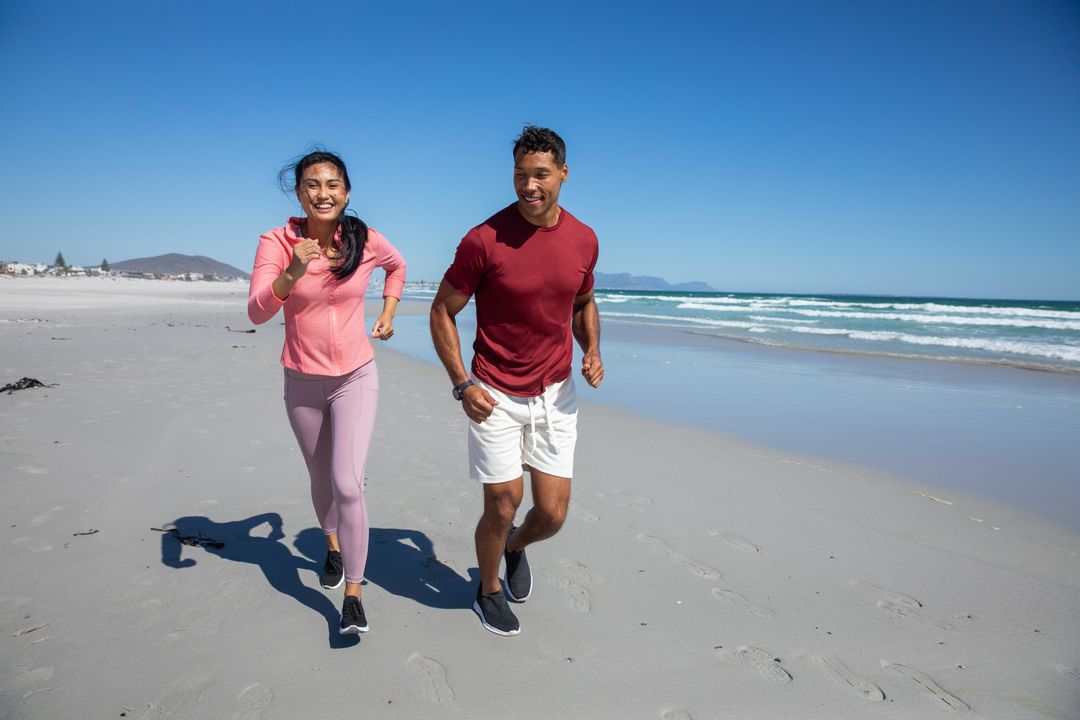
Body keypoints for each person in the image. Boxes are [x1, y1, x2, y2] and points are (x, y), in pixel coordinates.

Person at [429, 126, 603, 636]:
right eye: (521, 174)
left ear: (563, 174)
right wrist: (462, 384)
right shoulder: (483, 239)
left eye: (541, 175)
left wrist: (593, 349)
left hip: (556, 393)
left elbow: (583, 302)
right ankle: (487, 591)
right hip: (494, 392)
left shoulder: (584, 239)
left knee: (550, 515)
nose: (529, 185)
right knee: (503, 502)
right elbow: (442, 311)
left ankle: (515, 547)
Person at [248, 149, 406, 636]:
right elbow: (256, 312)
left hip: (356, 376)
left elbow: (398, 266)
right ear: (299, 194)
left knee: (347, 483)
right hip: (302, 381)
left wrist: (388, 312)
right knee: (321, 478)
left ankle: (354, 594)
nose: (323, 193)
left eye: (333, 184)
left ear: (347, 192)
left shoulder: (364, 239)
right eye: (313, 185)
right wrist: (292, 270)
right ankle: (332, 545)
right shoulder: (276, 242)